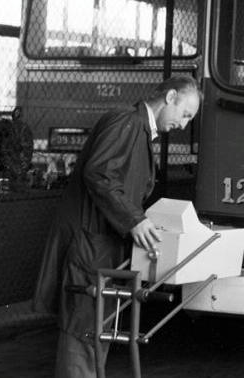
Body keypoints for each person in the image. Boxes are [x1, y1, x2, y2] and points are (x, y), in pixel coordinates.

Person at [33, 75, 201, 378]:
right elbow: (98, 173)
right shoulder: (126, 122)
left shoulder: (137, 129)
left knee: (95, 331)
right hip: (90, 247)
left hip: (101, 246)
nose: (184, 125)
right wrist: (133, 220)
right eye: (185, 114)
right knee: (84, 332)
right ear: (171, 97)